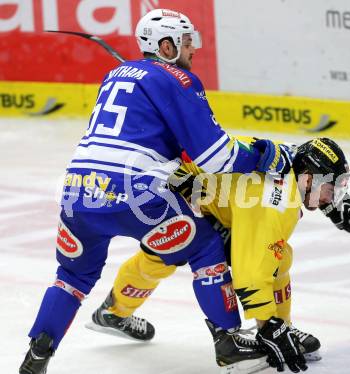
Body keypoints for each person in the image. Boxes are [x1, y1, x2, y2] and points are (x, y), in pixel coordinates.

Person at [18, 9, 298, 374]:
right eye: (185, 42)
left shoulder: (113, 75)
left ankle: (37, 354)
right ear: (165, 46)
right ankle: (228, 344)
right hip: (136, 189)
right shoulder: (179, 78)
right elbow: (217, 156)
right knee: (206, 245)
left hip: (77, 189)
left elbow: (138, 135)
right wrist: (268, 154)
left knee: (70, 277)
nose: (192, 49)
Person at [87, 137, 350, 373]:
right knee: (171, 253)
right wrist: (268, 326)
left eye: (337, 190)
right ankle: (229, 343)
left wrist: (334, 206)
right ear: (309, 179)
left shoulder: (291, 163)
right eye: (332, 190)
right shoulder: (276, 204)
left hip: (191, 190)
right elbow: (251, 274)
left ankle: (113, 312)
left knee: (275, 257)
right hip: (167, 193)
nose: (333, 196)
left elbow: (300, 158)